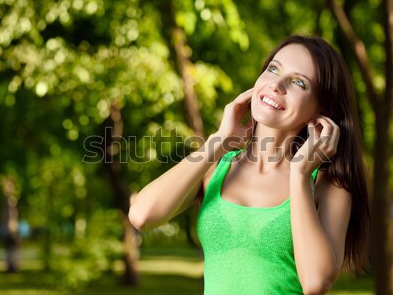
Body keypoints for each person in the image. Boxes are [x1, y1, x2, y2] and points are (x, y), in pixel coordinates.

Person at [129, 35, 370, 295]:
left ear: (322, 110)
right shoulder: (215, 168)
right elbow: (142, 215)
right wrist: (220, 140)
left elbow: (315, 283)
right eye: (273, 69)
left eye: (299, 82)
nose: (277, 85)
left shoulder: (328, 185)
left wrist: (299, 174)